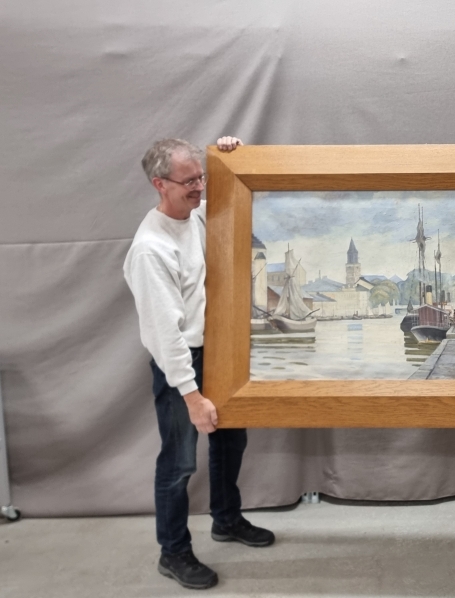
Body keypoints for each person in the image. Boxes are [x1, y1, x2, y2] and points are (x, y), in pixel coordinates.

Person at [124, 136, 275, 590]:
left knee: (231, 442)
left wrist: (233, 153)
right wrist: (192, 396)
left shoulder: (197, 216)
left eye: (201, 177)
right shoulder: (151, 249)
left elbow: (240, 201)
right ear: (160, 184)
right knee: (179, 462)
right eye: (189, 181)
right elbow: (164, 336)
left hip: (216, 350)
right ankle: (173, 552)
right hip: (181, 361)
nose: (200, 187)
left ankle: (226, 519)